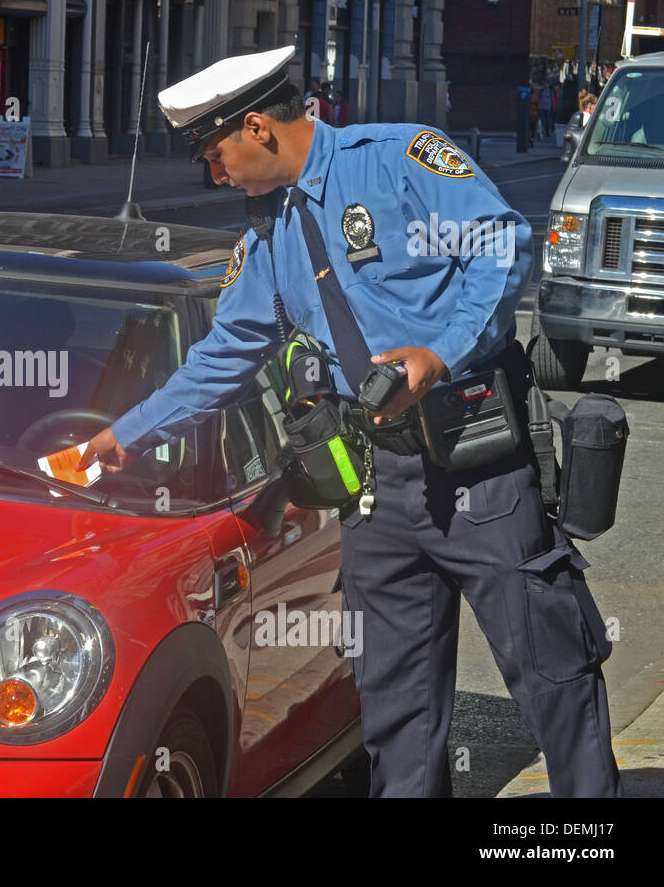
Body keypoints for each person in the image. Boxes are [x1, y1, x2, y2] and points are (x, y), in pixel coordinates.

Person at [77, 46, 622, 798]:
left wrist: (441, 352)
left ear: (259, 128)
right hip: (380, 490)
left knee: (555, 679)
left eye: (216, 152)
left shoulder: (400, 158)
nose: (215, 173)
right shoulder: (266, 238)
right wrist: (122, 435)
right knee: (397, 713)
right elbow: (224, 354)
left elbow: (499, 247)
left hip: (481, 466)